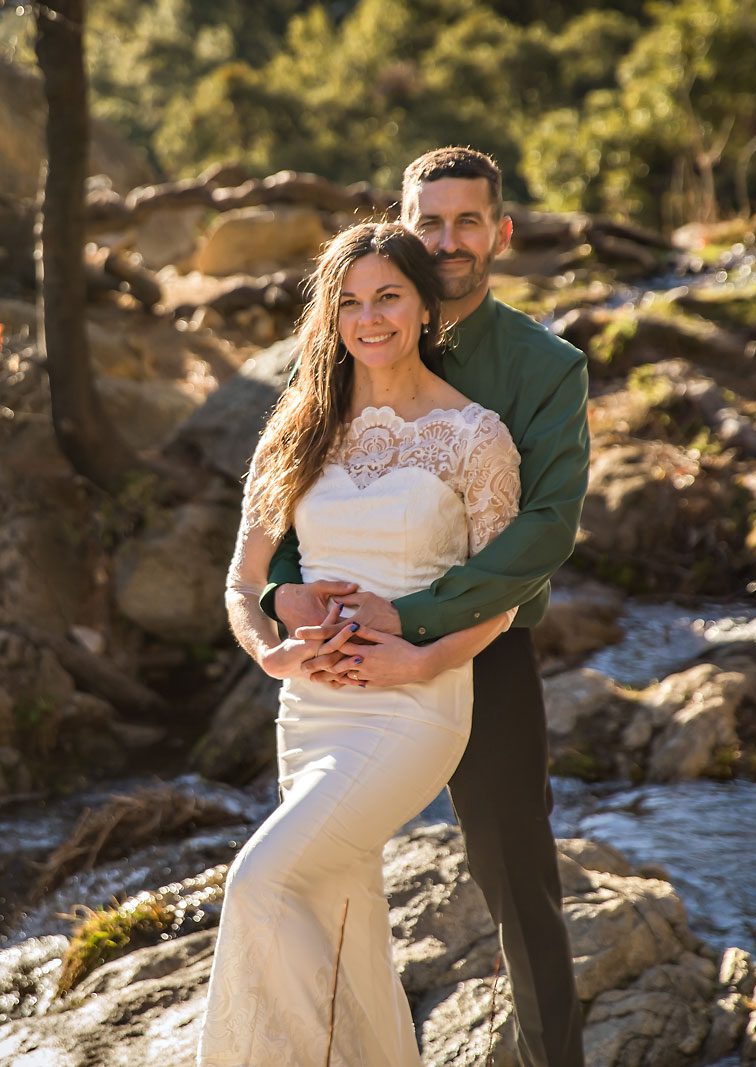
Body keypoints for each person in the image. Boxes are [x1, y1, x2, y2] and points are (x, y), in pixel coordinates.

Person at [263, 147, 590, 1066]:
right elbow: (290, 493)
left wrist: (416, 622)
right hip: (337, 663)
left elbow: (545, 531)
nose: (448, 241)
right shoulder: (350, 336)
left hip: (483, 654)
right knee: (323, 874)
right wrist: (279, 594)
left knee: (514, 876)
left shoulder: (544, 368)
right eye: (429, 223)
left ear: (501, 232)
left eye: (468, 221)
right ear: (403, 228)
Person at [198, 221, 523, 1067]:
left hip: (415, 708)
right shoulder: (299, 426)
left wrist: (418, 657)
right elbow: (242, 582)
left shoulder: (475, 435)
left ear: (423, 307)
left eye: (387, 296)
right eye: (348, 302)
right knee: (343, 924)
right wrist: (272, 652)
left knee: (260, 882)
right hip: (309, 711)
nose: (368, 317)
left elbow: (505, 596)